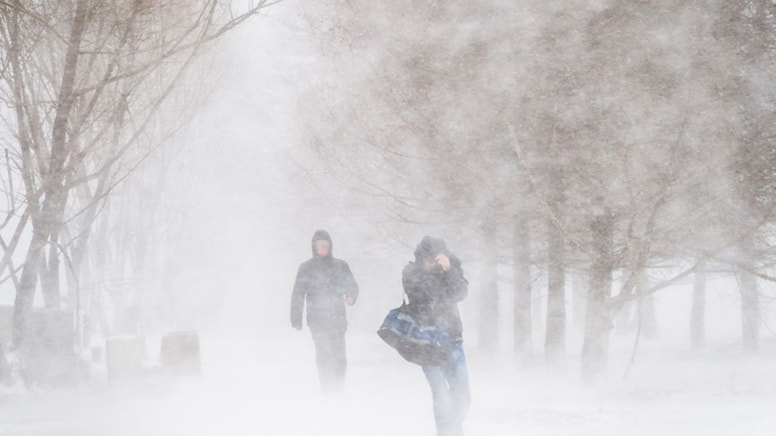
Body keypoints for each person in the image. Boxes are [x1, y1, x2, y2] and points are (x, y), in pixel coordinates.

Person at [402, 236, 470, 436]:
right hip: (427, 343)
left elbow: (460, 293)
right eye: (428, 259)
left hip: (453, 339)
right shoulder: (411, 272)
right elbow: (422, 295)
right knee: (442, 396)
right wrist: (439, 276)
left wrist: (449, 270)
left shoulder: (451, 270)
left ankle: (454, 431)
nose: (432, 263)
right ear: (420, 258)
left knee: (463, 398)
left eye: (436, 259)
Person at [291, 230, 359, 393]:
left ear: (330, 247)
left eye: (325, 246)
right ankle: (327, 389)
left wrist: (351, 296)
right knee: (324, 355)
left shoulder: (340, 266)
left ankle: (339, 387)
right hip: (317, 320)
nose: (322, 249)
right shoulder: (306, 268)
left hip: (337, 319)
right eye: (319, 246)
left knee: (339, 356)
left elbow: (351, 285)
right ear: (314, 247)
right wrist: (296, 319)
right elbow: (298, 294)